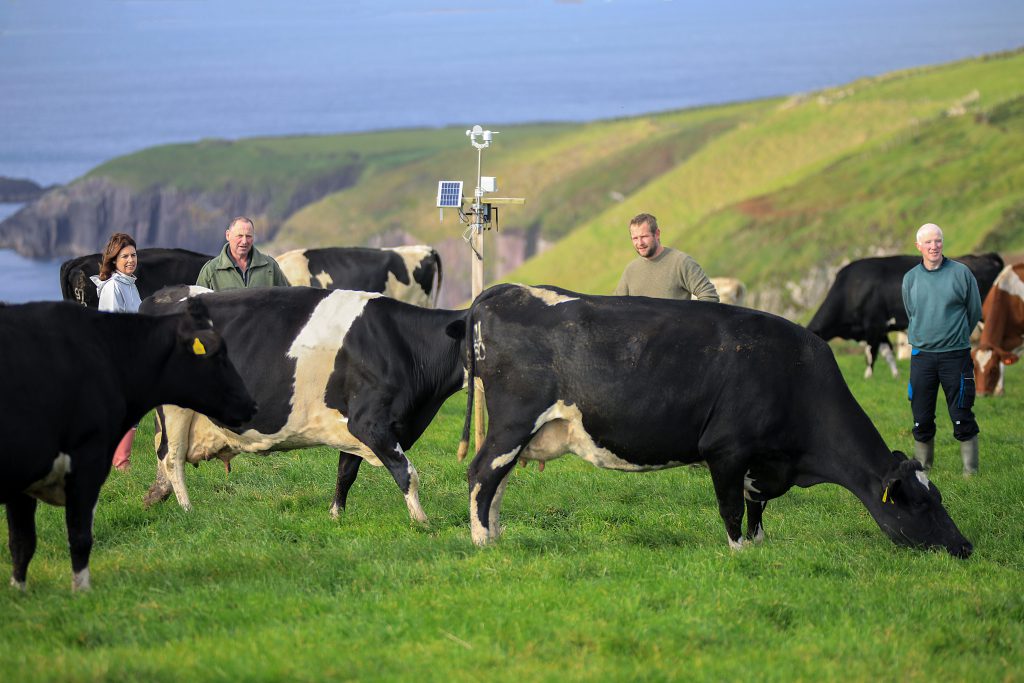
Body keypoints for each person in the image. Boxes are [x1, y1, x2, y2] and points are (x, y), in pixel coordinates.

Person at [902, 222, 982, 476]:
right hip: (922, 357)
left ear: (942, 243)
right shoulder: (911, 278)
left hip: (955, 356)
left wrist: (956, 336)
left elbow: (974, 311)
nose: (934, 246)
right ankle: (923, 469)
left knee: (961, 413)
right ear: (919, 246)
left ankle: (970, 472)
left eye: (937, 240)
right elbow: (911, 312)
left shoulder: (961, 273)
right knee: (921, 416)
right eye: (928, 242)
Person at [91, 232, 142, 470]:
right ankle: (121, 463)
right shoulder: (113, 287)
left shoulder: (130, 284)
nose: (131, 260)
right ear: (113, 260)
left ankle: (118, 461)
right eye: (125, 256)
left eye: (133, 255)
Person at [614, 213, 719, 302]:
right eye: (635, 238)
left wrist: (689, 319)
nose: (640, 243)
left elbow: (709, 296)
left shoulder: (681, 262)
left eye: (644, 236)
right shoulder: (631, 270)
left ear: (657, 234)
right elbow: (616, 305)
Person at [196, 216, 290, 290]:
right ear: (228, 235)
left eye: (248, 236)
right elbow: (197, 305)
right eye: (239, 236)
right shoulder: (210, 271)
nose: (244, 241)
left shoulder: (270, 266)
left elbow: (286, 299)